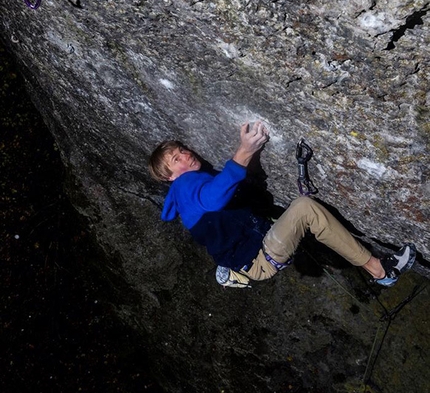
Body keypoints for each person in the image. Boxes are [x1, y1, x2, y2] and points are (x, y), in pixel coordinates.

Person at [149, 121, 416, 288]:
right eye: (175, 159)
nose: (185, 155)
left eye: (181, 150)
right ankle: (379, 270)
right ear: (169, 177)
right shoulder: (183, 187)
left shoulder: (187, 194)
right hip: (259, 257)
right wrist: (246, 150)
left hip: (255, 252)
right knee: (304, 208)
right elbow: (213, 198)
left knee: (295, 212)